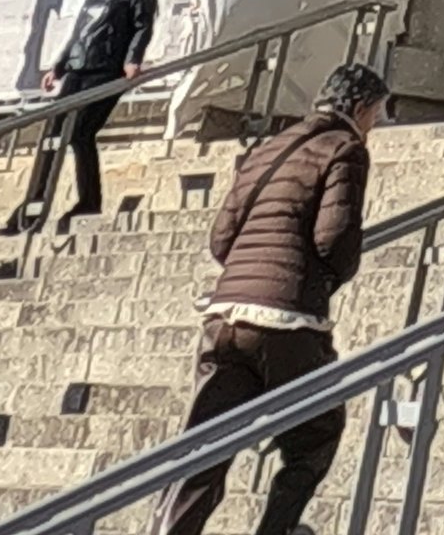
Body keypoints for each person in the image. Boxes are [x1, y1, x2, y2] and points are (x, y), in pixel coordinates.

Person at [155, 60, 385, 535]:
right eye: (376, 114)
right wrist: (329, 277)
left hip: (225, 315)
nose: (375, 126)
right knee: (316, 435)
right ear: (359, 107)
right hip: (287, 319)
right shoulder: (344, 148)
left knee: (205, 447)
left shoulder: (268, 148)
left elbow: (221, 240)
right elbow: (333, 237)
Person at [18, 0, 158, 232]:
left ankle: (89, 200)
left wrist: (132, 59)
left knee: (81, 133)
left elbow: (142, 27)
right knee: (53, 133)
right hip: (79, 68)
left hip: (105, 70)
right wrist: (58, 67)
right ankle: (34, 200)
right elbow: (80, 32)